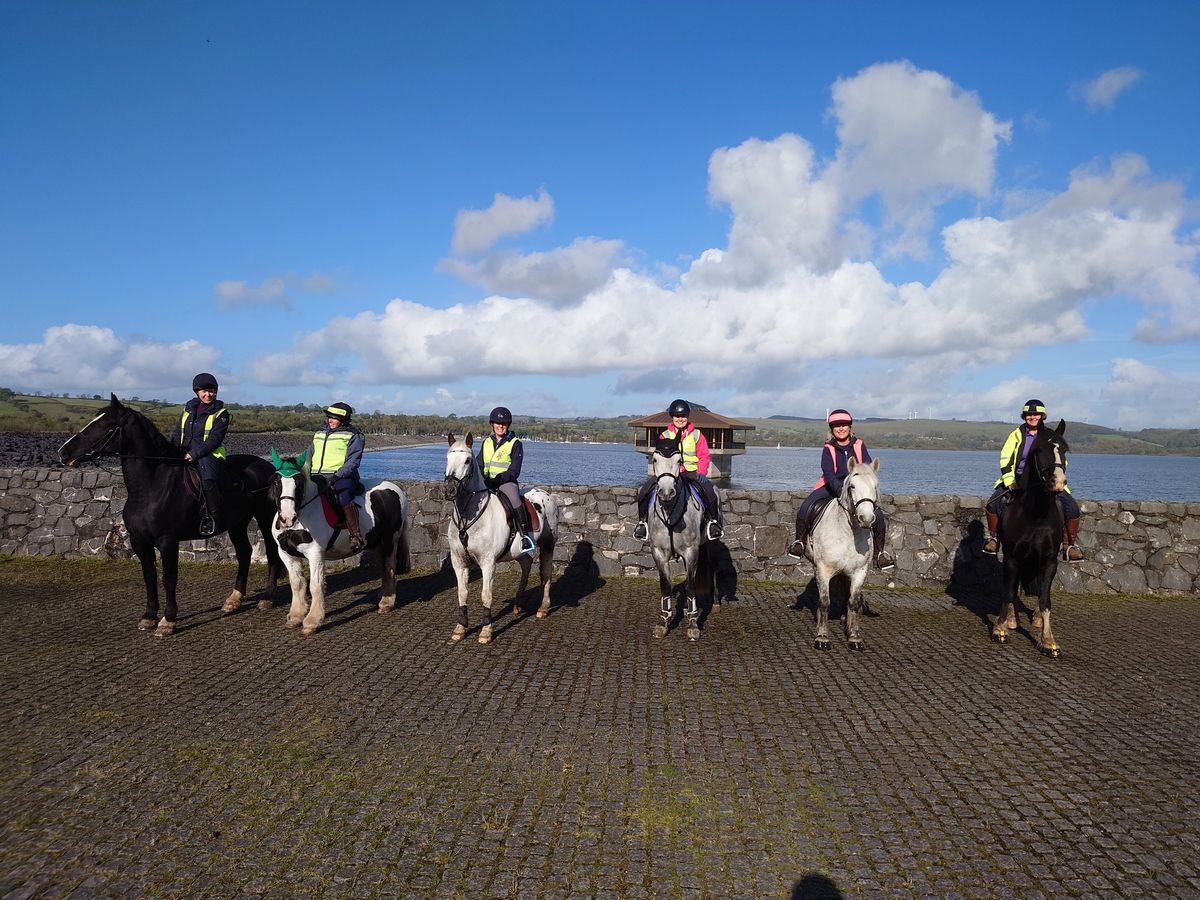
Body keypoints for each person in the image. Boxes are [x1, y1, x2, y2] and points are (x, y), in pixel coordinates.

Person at [788, 409, 894, 569]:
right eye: (836, 426)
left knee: (877, 514)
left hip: (856, 487)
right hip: (831, 486)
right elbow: (828, 472)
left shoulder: (859, 445)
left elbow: (867, 468)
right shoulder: (828, 448)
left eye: (844, 425)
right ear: (832, 429)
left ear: (849, 427)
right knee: (806, 506)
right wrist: (839, 490)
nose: (841, 428)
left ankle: (879, 553)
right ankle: (799, 542)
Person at [984, 399, 1083, 561]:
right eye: (1029, 414)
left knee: (1071, 508)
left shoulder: (1050, 436)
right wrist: (1009, 480)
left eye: (1036, 414)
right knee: (992, 504)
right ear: (1025, 416)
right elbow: (1005, 457)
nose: (1032, 417)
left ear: (1042, 416)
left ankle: (1070, 545)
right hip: (1017, 479)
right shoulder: (1016, 434)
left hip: (1046, 480)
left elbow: (1060, 458)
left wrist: (1056, 477)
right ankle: (994, 538)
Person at [633, 399, 724, 542]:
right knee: (644, 491)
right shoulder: (665, 435)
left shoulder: (697, 435)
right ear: (672, 417)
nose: (680, 419)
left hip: (692, 472)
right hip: (670, 474)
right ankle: (642, 523)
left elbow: (704, 455)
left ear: (687, 417)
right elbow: (659, 457)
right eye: (677, 416)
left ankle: (713, 523)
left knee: (709, 491)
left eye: (683, 416)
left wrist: (701, 472)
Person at [174, 372, 229, 537]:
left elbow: (214, 440)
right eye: (204, 391)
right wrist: (172, 450)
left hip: (209, 455)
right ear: (197, 392)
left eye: (211, 390)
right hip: (184, 453)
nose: (208, 394)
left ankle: (212, 517)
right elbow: (178, 433)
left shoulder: (221, 413)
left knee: (207, 479)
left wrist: (194, 454)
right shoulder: (188, 409)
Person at [478, 406, 535, 555]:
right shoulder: (487, 442)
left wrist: (498, 479)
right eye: (497, 423)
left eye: (503, 424)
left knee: (515, 500)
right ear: (492, 424)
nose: (500, 426)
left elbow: (514, 470)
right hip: (486, 482)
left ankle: (524, 537)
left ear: (508, 425)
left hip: (505, 483)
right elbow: (479, 463)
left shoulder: (515, 443)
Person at [310, 401, 365, 552]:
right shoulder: (319, 434)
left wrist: (337, 476)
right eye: (329, 417)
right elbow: (309, 454)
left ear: (344, 420)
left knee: (343, 497)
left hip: (342, 477)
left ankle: (355, 535)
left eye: (334, 418)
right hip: (316, 476)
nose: (330, 420)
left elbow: (353, 461)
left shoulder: (354, 435)